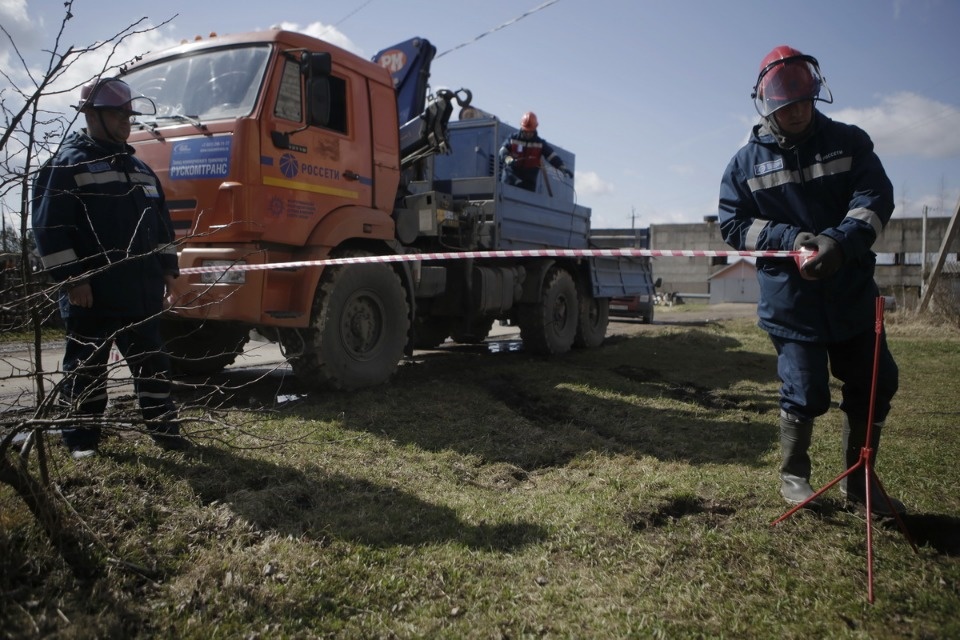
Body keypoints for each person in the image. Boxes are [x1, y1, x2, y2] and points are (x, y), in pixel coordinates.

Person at [718, 46, 904, 515]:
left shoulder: (850, 142)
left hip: (851, 294)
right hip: (792, 304)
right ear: (768, 106)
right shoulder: (744, 164)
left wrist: (840, 243)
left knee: (876, 382)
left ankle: (860, 483)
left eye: (804, 102)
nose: (798, 112)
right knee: (805, 392)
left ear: (815, 95)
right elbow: (734, 224)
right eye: (787, 106)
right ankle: (794, 478)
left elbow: (875, 198)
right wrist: (789, 238)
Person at [31, 77, 190, 459]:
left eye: (128, 114)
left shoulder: (140, 169)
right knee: (86, 369)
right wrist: (74, 279)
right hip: (93, 296)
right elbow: (49, 228)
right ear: (91, 115)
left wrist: (170, 274)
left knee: (154, 365)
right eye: (117, 113)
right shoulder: (67, 165)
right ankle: (81, 441)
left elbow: (161, 228)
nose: (125, 121)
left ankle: (165, 432)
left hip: (141, 293)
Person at [499, 111, 573, 191]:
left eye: (530, 132)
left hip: (528, 182)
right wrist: (508, 159)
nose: (528, 134)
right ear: (522, 127)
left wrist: (562, 167)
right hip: (510, 179)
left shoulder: (540, 144)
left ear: (535, 129)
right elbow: (502, 151)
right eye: (526, 131)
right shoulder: (513, 139)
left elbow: (552, 156)